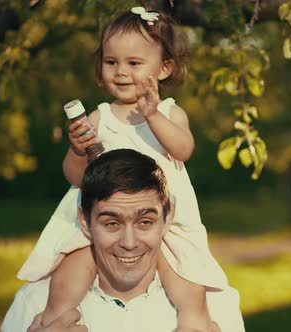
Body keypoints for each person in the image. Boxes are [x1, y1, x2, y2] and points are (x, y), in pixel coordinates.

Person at [16, 6, 228, 332]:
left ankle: (194, 323)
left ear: (164, 68)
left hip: (165, 219)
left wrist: (153, 115)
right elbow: (76, 178)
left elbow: (183, 149)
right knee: (73, 265)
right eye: (111, 62)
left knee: (188, 275)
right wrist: (77, 150)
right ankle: (57, 316)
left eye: (134, 63)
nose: (120, 72)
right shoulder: (99, 118)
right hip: (105, 220)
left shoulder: (170, 112)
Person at [1, 149, 244, 331]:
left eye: (145, 222)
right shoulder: (36, 304)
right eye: (112, 223)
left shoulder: (216, 307)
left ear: (168, 217)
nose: (129, 242)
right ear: (85, 221)